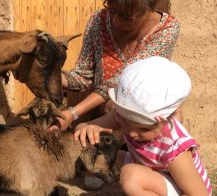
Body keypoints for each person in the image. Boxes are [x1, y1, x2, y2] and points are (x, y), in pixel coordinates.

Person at [74, 56, 212, 196]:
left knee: (130, 176)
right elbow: (94, 127)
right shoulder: (128, 119)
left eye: (142, 128)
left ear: (168, 119)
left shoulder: (174, 148)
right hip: (158, 178)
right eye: (125, 121)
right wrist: (86, 127)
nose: (131, 132)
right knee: (107, 155)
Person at [51, 0, 180, 131]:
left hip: (140, 119)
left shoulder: (166, 29)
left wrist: (73, 113)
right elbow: (83, 76)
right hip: (100, 112)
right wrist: (49, 76)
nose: (116, 21)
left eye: (127, 17)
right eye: (112, 11)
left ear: (148, 10)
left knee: (114, 106)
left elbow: (120, 81)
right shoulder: (99, 21)